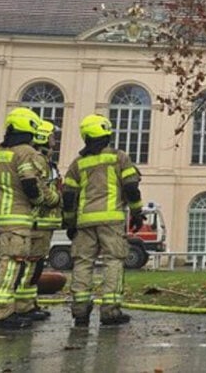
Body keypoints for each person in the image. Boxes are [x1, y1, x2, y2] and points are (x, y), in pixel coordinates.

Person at [0, 107, 60, 329]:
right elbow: (31, 185)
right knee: (12, 264)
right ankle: (1, 313)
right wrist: (51, 199)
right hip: (17, 219)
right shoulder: (26, 153)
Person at [62, 114, 145, 326]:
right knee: (114, 261)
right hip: (112, 220)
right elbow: (131, 187)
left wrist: (70, 222)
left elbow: (69, 196)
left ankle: (80, 311)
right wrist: (137, 213)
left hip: (84, 222)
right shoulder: (119, 158)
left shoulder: (77, 164)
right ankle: (110, 310)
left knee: (82, 263)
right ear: (107, 134)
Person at [23, 120, 62, 321]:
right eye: (52, 136)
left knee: (36, 264)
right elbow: (40, 185)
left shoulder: (45, 160)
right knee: (31, 265)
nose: (55, 140)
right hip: (37, 221)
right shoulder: (38, 159)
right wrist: (54, 199)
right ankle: (24, 305)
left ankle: (29, 303)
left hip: (44, 223)